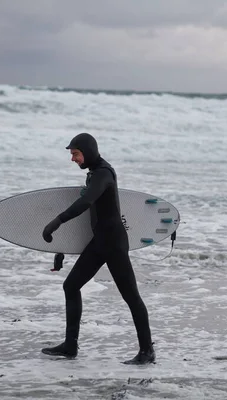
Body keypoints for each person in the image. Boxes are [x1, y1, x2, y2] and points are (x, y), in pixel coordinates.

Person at [41, 132, 155, 365]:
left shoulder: (103, 174)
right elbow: (88, 221)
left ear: (88, 152)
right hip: (99, 242)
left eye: (75, 154)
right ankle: (70, 346)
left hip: (113, 244)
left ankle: (147, 351)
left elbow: (85, 203)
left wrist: (57, 221)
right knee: (70, 285)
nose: (73, 158)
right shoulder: (94, 173)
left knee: (131, 297)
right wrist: (61, 248)